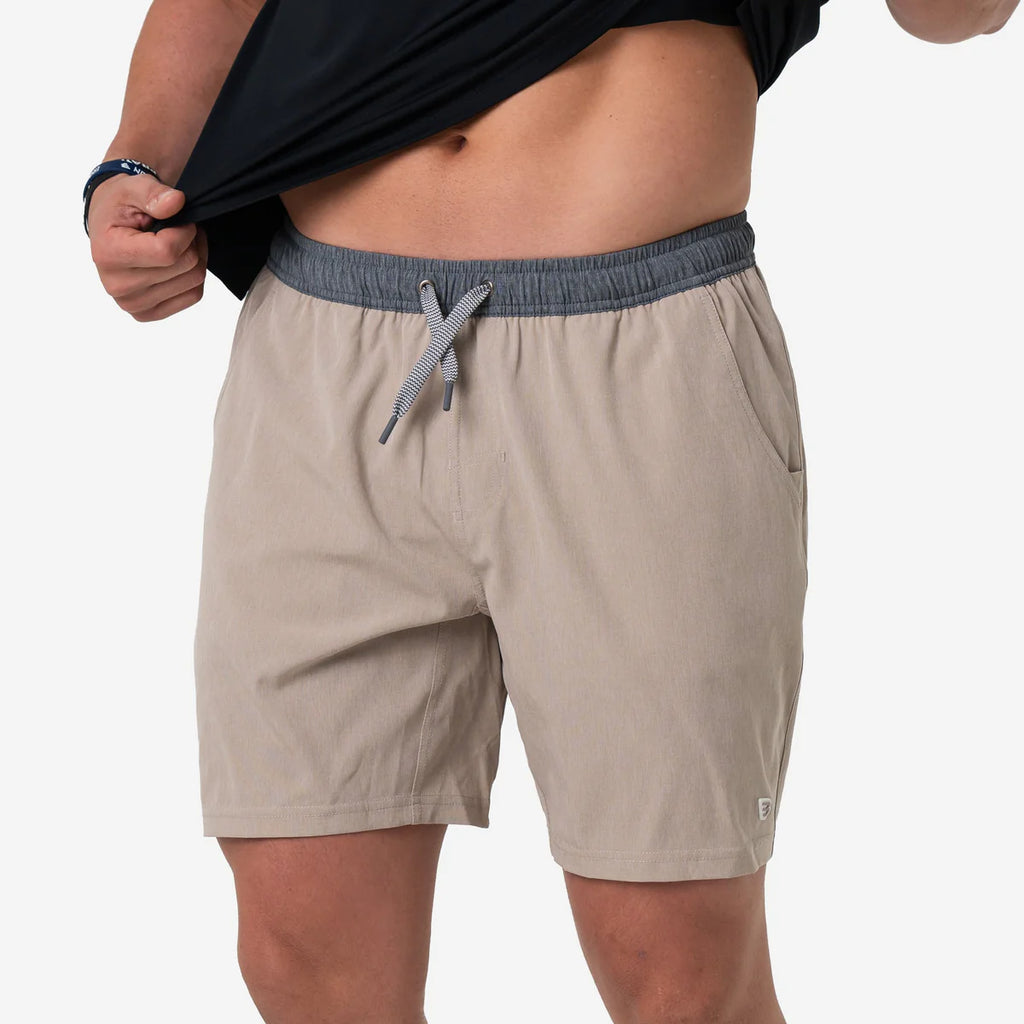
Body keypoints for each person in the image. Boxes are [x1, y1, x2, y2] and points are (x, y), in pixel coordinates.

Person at [83, 3, 1018, 1022]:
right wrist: (135, 165)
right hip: (323, 349)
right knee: (302, 955)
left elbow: (956, 14)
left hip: (637, 356)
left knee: (677, 970)